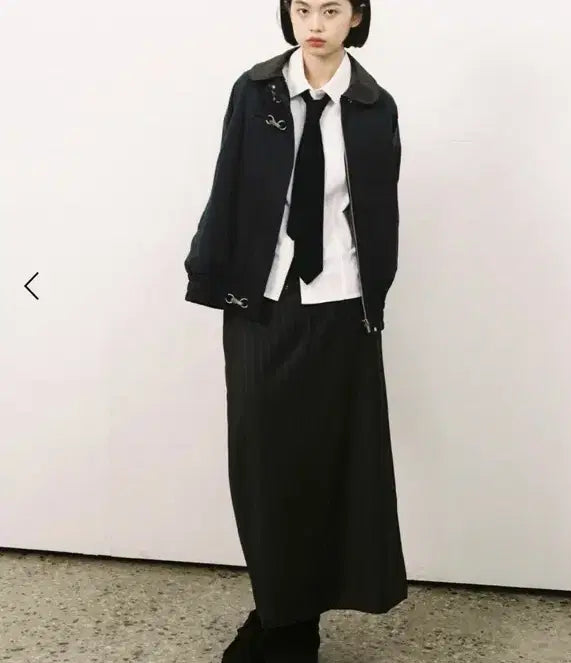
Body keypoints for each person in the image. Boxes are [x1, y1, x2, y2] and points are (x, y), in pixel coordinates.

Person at [184, 1, 405, 661]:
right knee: (262, 461)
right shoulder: (256, 91)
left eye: (331, 10)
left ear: (356, 17)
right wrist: (211, 273)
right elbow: (228, 182)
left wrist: (375, 298)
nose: (314, 23)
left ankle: (292, 621)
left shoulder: (374, 106)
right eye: (301, 8)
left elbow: (379, 211)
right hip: (263, 296)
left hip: (340, 303)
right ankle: (278, 608)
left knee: (329, 462)